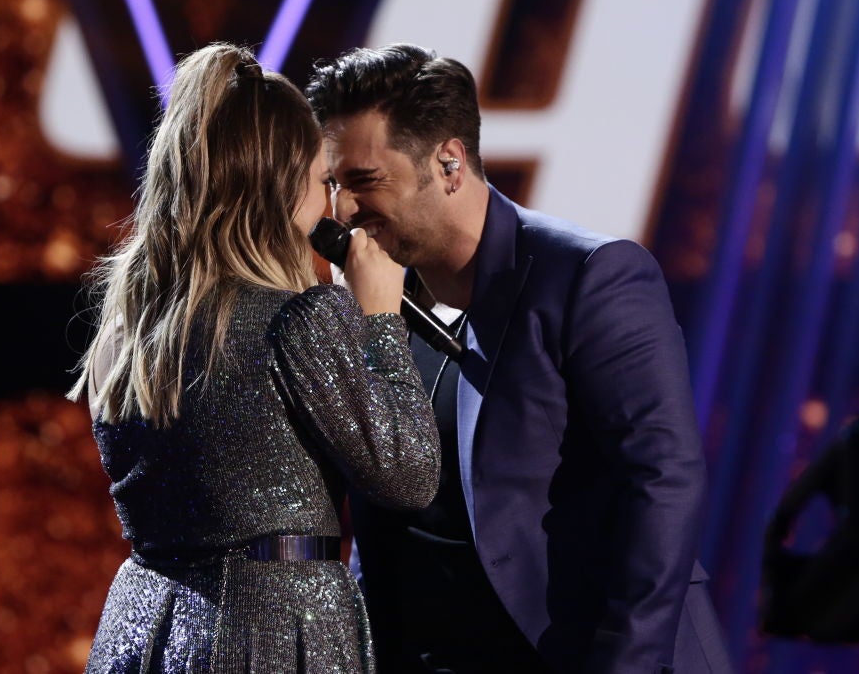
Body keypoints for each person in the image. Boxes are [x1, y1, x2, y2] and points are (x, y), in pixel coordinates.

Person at [306, 44, 730, 673]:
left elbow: (664, 480)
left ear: (449, 163)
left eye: (365, 181)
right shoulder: (373, 303)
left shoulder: (590, 275)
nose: (342, 210)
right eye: (334, 184)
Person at [69, 44, 440, 673]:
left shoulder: (129, 326)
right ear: (280, 184)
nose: (331, 204)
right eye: (323, 181)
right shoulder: (298, 320)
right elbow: (409, 476)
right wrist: (379, 322)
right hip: (275, 625)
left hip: (145, 626)